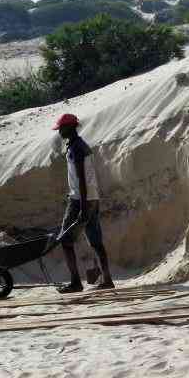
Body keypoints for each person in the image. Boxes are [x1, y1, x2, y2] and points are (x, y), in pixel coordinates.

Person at [53, 113, 115, 293]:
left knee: (65, 240)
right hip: (93, 198)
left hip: (81, 200)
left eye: (61, 129)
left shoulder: (75, 148)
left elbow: (81, 179)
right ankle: (107, 279)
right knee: (96, 241)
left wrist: (80, 208)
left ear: (70, 128)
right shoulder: (81, 145)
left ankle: (75, 283)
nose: (59, 132)